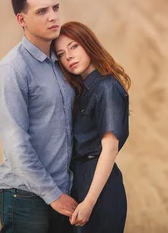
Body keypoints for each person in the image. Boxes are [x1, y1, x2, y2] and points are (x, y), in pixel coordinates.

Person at [0, 0, 78, 233]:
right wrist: (53, 195)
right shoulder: (12, 70)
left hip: (62, 191)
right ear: (21, 20)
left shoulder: (61, 62)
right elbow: (16, 144)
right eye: (41, 11)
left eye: (55, 8)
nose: (53, 17)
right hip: (24, 195)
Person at [53, 21, 130, 233]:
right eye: (60, 54)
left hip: (99, 189)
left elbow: (110, 148)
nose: (68, 56)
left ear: (88, 44)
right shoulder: (83, 90)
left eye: (73, 46)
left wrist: (89, 202)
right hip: (79, 180)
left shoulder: (107, 86)